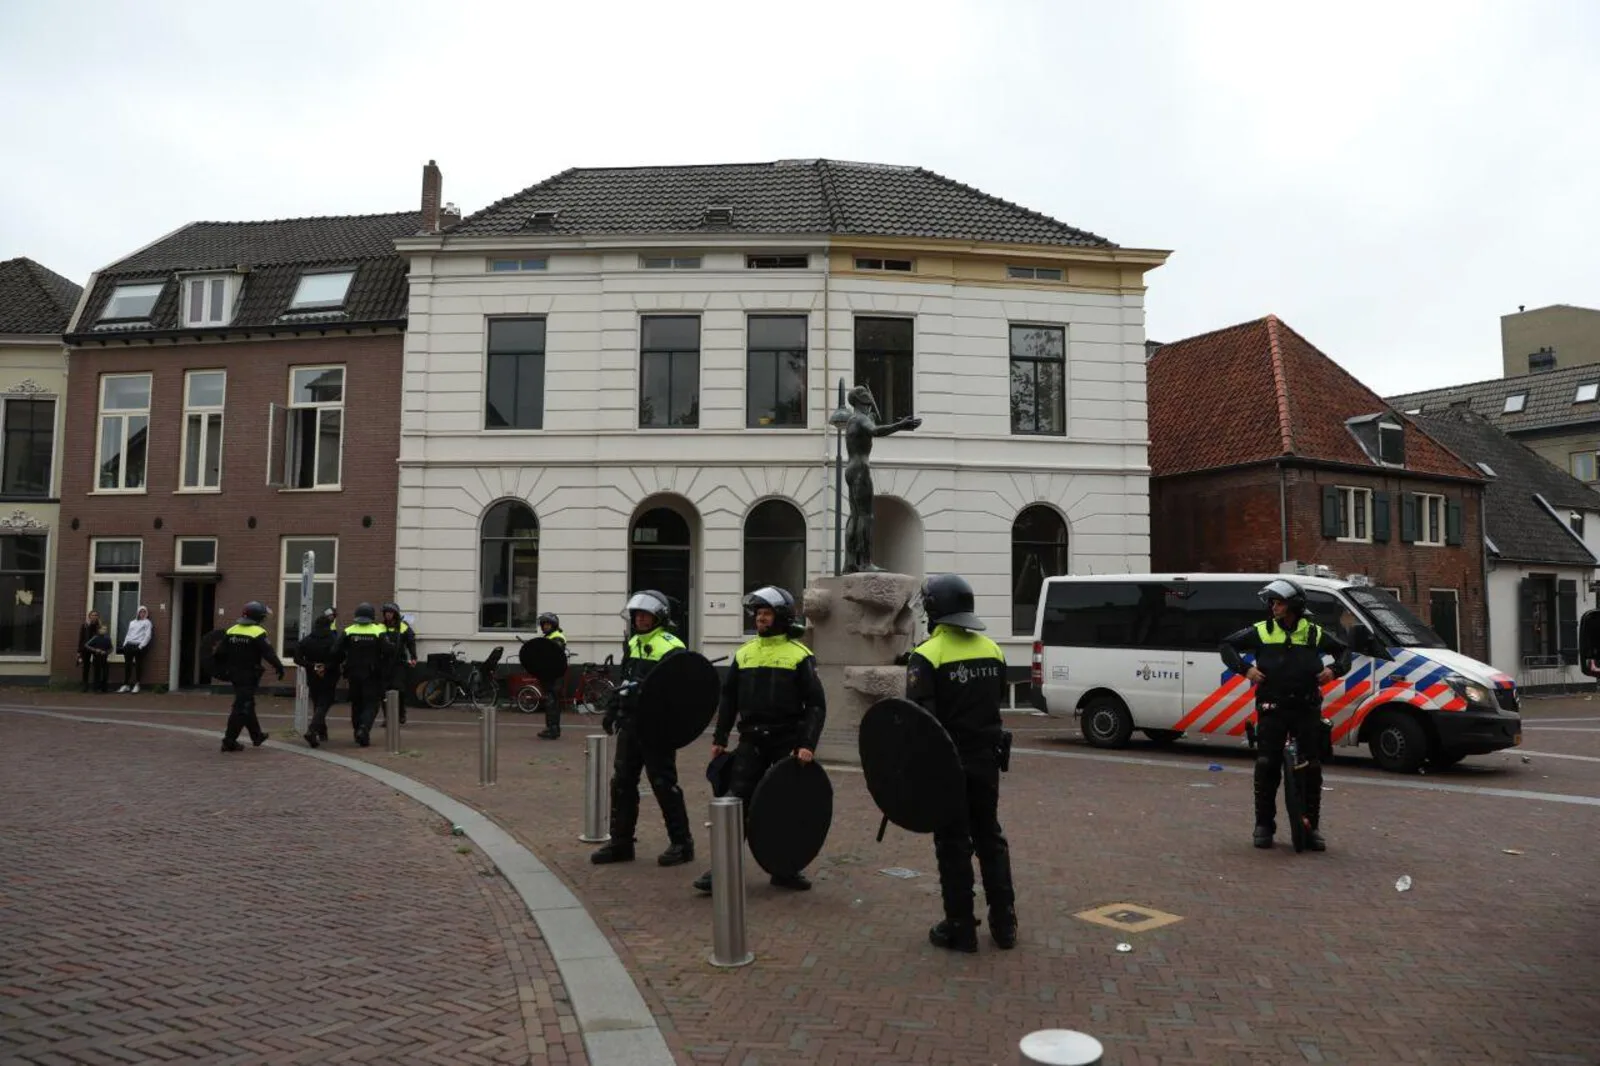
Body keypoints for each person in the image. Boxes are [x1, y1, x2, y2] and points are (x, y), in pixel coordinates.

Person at [905, 573, 1016, 954]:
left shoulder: (927, 655)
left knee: (953, 844)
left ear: (935, 609)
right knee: (990, 838)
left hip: (949, 765)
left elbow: (923, 723)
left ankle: (960, 927)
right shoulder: (992, 649)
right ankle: (1005, 924)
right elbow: (995, 701)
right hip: (986, 760)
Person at [693, 586, 825, 894]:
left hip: (785, 742)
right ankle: (722, 869)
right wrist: (720, 737)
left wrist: (807, 744)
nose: (759, 618)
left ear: (780, 617)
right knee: (734, 801)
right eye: (757, 613)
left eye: (765, 613)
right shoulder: (745, 653)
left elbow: (816, 705)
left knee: (784, 807)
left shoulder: (800, 655)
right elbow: (729, 698)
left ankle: (786, 869)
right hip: (751, 741)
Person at [1220, 578, 1352, 852]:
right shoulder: (1262, 631)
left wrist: (1334, 671)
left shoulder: (1313, 632)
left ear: (1293, 605)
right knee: (1267, 764)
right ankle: (1264, 825)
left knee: (1312, 767)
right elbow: (1227, 646)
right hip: (1273, 706)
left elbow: (1344, 651)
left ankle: (1311, 827)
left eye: (1278, 602)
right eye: (1272, 602)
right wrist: (1246, 669)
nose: (1274, 606)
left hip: (1306, 707)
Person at [590, 590, 695, 867]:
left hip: (657, 728)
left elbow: (678, 690)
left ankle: (682, 843)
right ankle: (621, 843)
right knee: (622, 783)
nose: (640, 619)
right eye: (637, 615)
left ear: (658, 617)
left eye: (645, 615)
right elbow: (624, 680)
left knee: (663, 784)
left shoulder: (671, 645)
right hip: (630, 725)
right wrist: (613, 710)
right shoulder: (634, 643)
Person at [840, 384, 921, 574]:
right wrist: (900, 426)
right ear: (863, 400)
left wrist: (871, 421)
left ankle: (850, 563)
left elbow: (869, 430)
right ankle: (866, 563)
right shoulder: (861, 419)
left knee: (855, 516)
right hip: (861, 469)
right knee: (866, 517)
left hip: (851, 469)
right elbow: (876, 431)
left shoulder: (853, 420)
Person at [213, 601, 284, 752]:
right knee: (241, 707)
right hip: (249, 675)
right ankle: (229, 740)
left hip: (234, 675)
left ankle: (256, 735)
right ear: (258, 617)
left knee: (247, 703)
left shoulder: (232, 630)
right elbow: (269, 653)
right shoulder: (257, 632)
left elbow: (219, 653)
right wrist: (279, 667)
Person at [333, 603, 387, 746]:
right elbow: (388, 650)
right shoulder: (378, 631)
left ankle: (357, 731)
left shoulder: (349, 630)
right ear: (372, 616)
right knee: (371, 704)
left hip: (353, 673)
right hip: (371, 674)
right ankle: (364, 728)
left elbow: (335, 650)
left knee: (356, 704)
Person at [295, 607, 340, 748]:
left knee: (317, 702)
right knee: (324, 703)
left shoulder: (307, 640)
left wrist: (311, 665)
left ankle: (322, 733)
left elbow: (297, 658)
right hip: (329, 675)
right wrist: (325, 666)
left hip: (312, 676)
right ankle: (312, 731)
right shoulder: (333, 640)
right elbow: (339, 657)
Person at [379, 602, 416, 726]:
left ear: (395, 614)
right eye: (386, 613)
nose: (388, 615)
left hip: (399, 663)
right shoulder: (380, 627)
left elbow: (411, 642)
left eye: (390, 613)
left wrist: (414, 657)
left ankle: (401, 713)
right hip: (384, 664)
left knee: (399, 689)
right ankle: (387, 717)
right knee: (384, 691)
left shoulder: (403, 628)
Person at [534, 611, 567, 740]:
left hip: (555, 674)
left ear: (553, 625)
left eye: (547, 624)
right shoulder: (549, 637)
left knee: (552, 702)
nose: (545, 627)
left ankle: (553, 729)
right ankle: (550, 728)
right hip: (549, 674)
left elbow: (553, 655)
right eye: (544, 625)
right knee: (550, 701)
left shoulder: (557, 637)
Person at [117, 605, 153, 693]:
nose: (142, 614)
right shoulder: (132, 622)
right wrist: (125, 644)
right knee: (127, 666)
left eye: (144, 612)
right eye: (141, 612)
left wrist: (141, 646)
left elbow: (148, 636)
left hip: (138, 646)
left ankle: (137, 684)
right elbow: (129, 634)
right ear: (138, 613)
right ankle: (126, 685)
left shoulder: (147, 622)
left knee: (138, 665)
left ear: (146, 613)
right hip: (129, 645)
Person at [82, 623, 112, 693]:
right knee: (97, 673)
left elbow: (111, 648)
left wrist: (106, 652)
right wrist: (95, 650)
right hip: (97, 658)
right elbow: (86, 645)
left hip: (104, 658)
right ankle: (96, 688)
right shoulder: (95, 637)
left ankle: (104, 688)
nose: (104, 630)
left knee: (105, 673)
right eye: (103, 629)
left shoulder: (107, 638)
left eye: (106, 629)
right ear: (99, 630)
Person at [77, 610, 103, 692]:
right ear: (89, 616)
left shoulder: (99, 626)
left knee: (97, 667)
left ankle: (96, 686)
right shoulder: (84, 626)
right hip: (86, 648)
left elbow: (102, 637)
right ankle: (85, 685)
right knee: (86, 667)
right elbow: (81, 639)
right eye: (92, 615)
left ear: (98, 617)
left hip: (96, 649)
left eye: (96, 615)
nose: (94, 617)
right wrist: (79, 651)